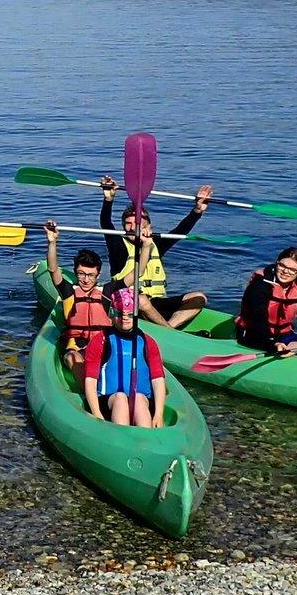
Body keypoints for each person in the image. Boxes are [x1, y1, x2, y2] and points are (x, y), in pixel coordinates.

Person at [99, 175, 212, 329]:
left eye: (137, 224)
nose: (132, 228)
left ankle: (169, 328)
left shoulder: (155, 244)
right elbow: (106, 224)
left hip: (157, 302)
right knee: (142, 299)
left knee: (199, 298)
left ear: (148, 227)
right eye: (127, 224)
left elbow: (180, 231)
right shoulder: (119, 246)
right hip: (130, 304)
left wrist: (197, 210)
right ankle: (169, 332)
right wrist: (108, 200)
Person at [82, 288, 166, 428]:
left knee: (138, 398)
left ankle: (145, 437)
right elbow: (90, 380)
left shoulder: (147, 342)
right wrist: (96, 414)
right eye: (119, 313)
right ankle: (122, 435)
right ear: (112, 315)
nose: (124, 318)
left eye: (129, 314)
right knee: (120, 398)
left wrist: (158, 413)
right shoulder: (101, 341)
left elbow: (157, 379)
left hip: (142, 400)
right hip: (108, 401)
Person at [43, 227, 113, 378]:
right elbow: (53, 269)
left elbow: (136, 273)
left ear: (98, 274)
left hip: (101, 345)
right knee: (72, 358)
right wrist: (52, 242)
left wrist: (146, 245)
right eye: (81, 274)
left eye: (91, 275)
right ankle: (88, 392)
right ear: (75, 272)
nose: (86, 280)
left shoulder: (106, 292)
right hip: (76, 347)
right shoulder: (69, 291)